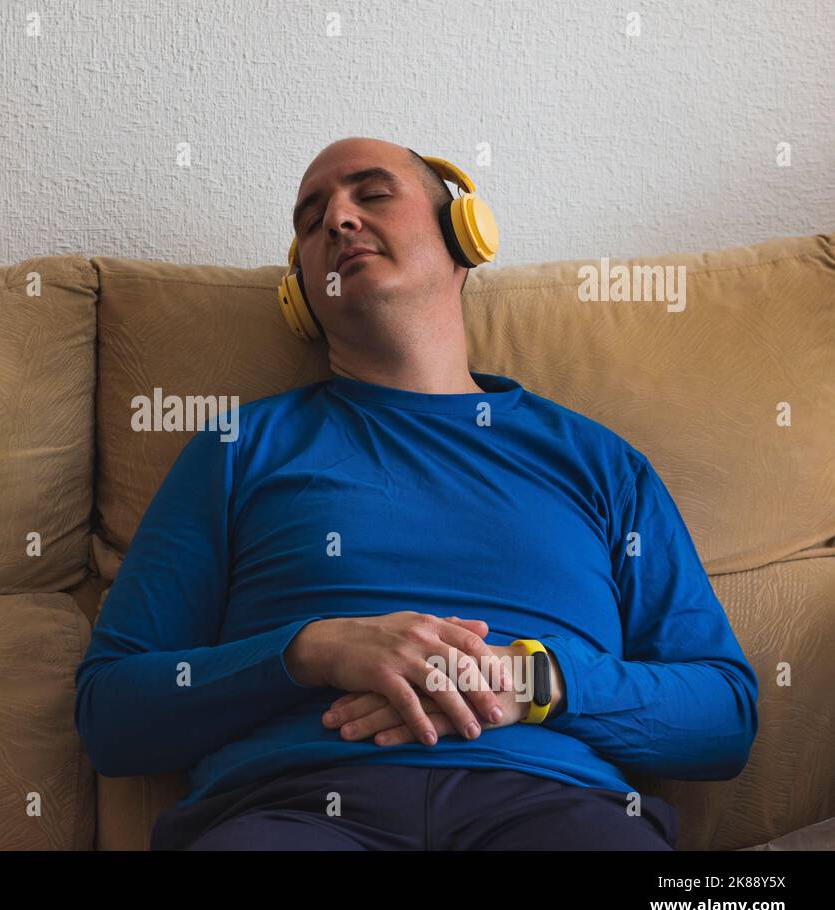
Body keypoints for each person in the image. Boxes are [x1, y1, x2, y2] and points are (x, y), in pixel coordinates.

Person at [73, 137, 759, 850]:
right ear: (301, 292)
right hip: (292, 811)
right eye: (311, 221)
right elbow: (111, 715)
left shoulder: (601, 463)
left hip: (556, 809)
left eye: (372, 195)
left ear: (464, 234)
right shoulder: (237, 448)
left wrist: (531, 681)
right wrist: (310, 651)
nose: (338, 220)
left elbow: (724, 718)